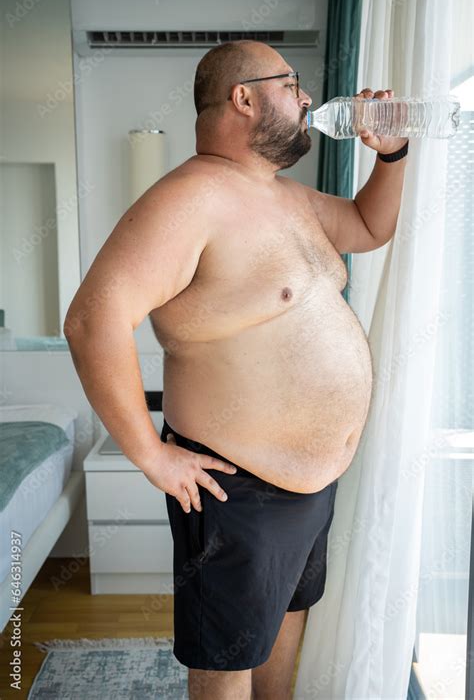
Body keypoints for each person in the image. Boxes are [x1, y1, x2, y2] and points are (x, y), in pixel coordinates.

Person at [64, 40, 409, 700]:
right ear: (243, 97)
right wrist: (151, 455)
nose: (307, 97)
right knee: (226, 674)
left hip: (310, 489)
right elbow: (92, 319)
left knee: (278, 658)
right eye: (291, 84)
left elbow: (369, 226)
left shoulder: (288, 199)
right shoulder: (188, 199)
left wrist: (391, 155)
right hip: (238, 490)